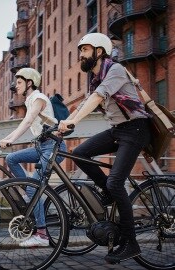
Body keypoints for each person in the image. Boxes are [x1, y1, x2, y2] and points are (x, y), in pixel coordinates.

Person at [58, 33, 151, 264]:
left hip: (136, 129)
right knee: (79, 153)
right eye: (81, 50)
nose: (81, 55)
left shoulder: (115, 70)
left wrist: (73, 122)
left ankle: (131, 243)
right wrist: (63, 124)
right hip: (119, 130)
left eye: (85, 50)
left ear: (99, 52)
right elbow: (84, 103)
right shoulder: (96, 77)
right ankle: (109, 192)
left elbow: (98, 98)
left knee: (115, 180)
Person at [0, 67, 67, 247]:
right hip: (42, 146)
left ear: (30, 83)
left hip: (53, 147)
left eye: (20, 82)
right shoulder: (30, 100)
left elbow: (27, 122)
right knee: (11, 159)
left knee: (32, 189)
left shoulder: (38, 98)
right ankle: (31, 192)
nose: (16, 86)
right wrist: (6, 139)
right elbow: (25, 122)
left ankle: (42, 235)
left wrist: (11, 140)